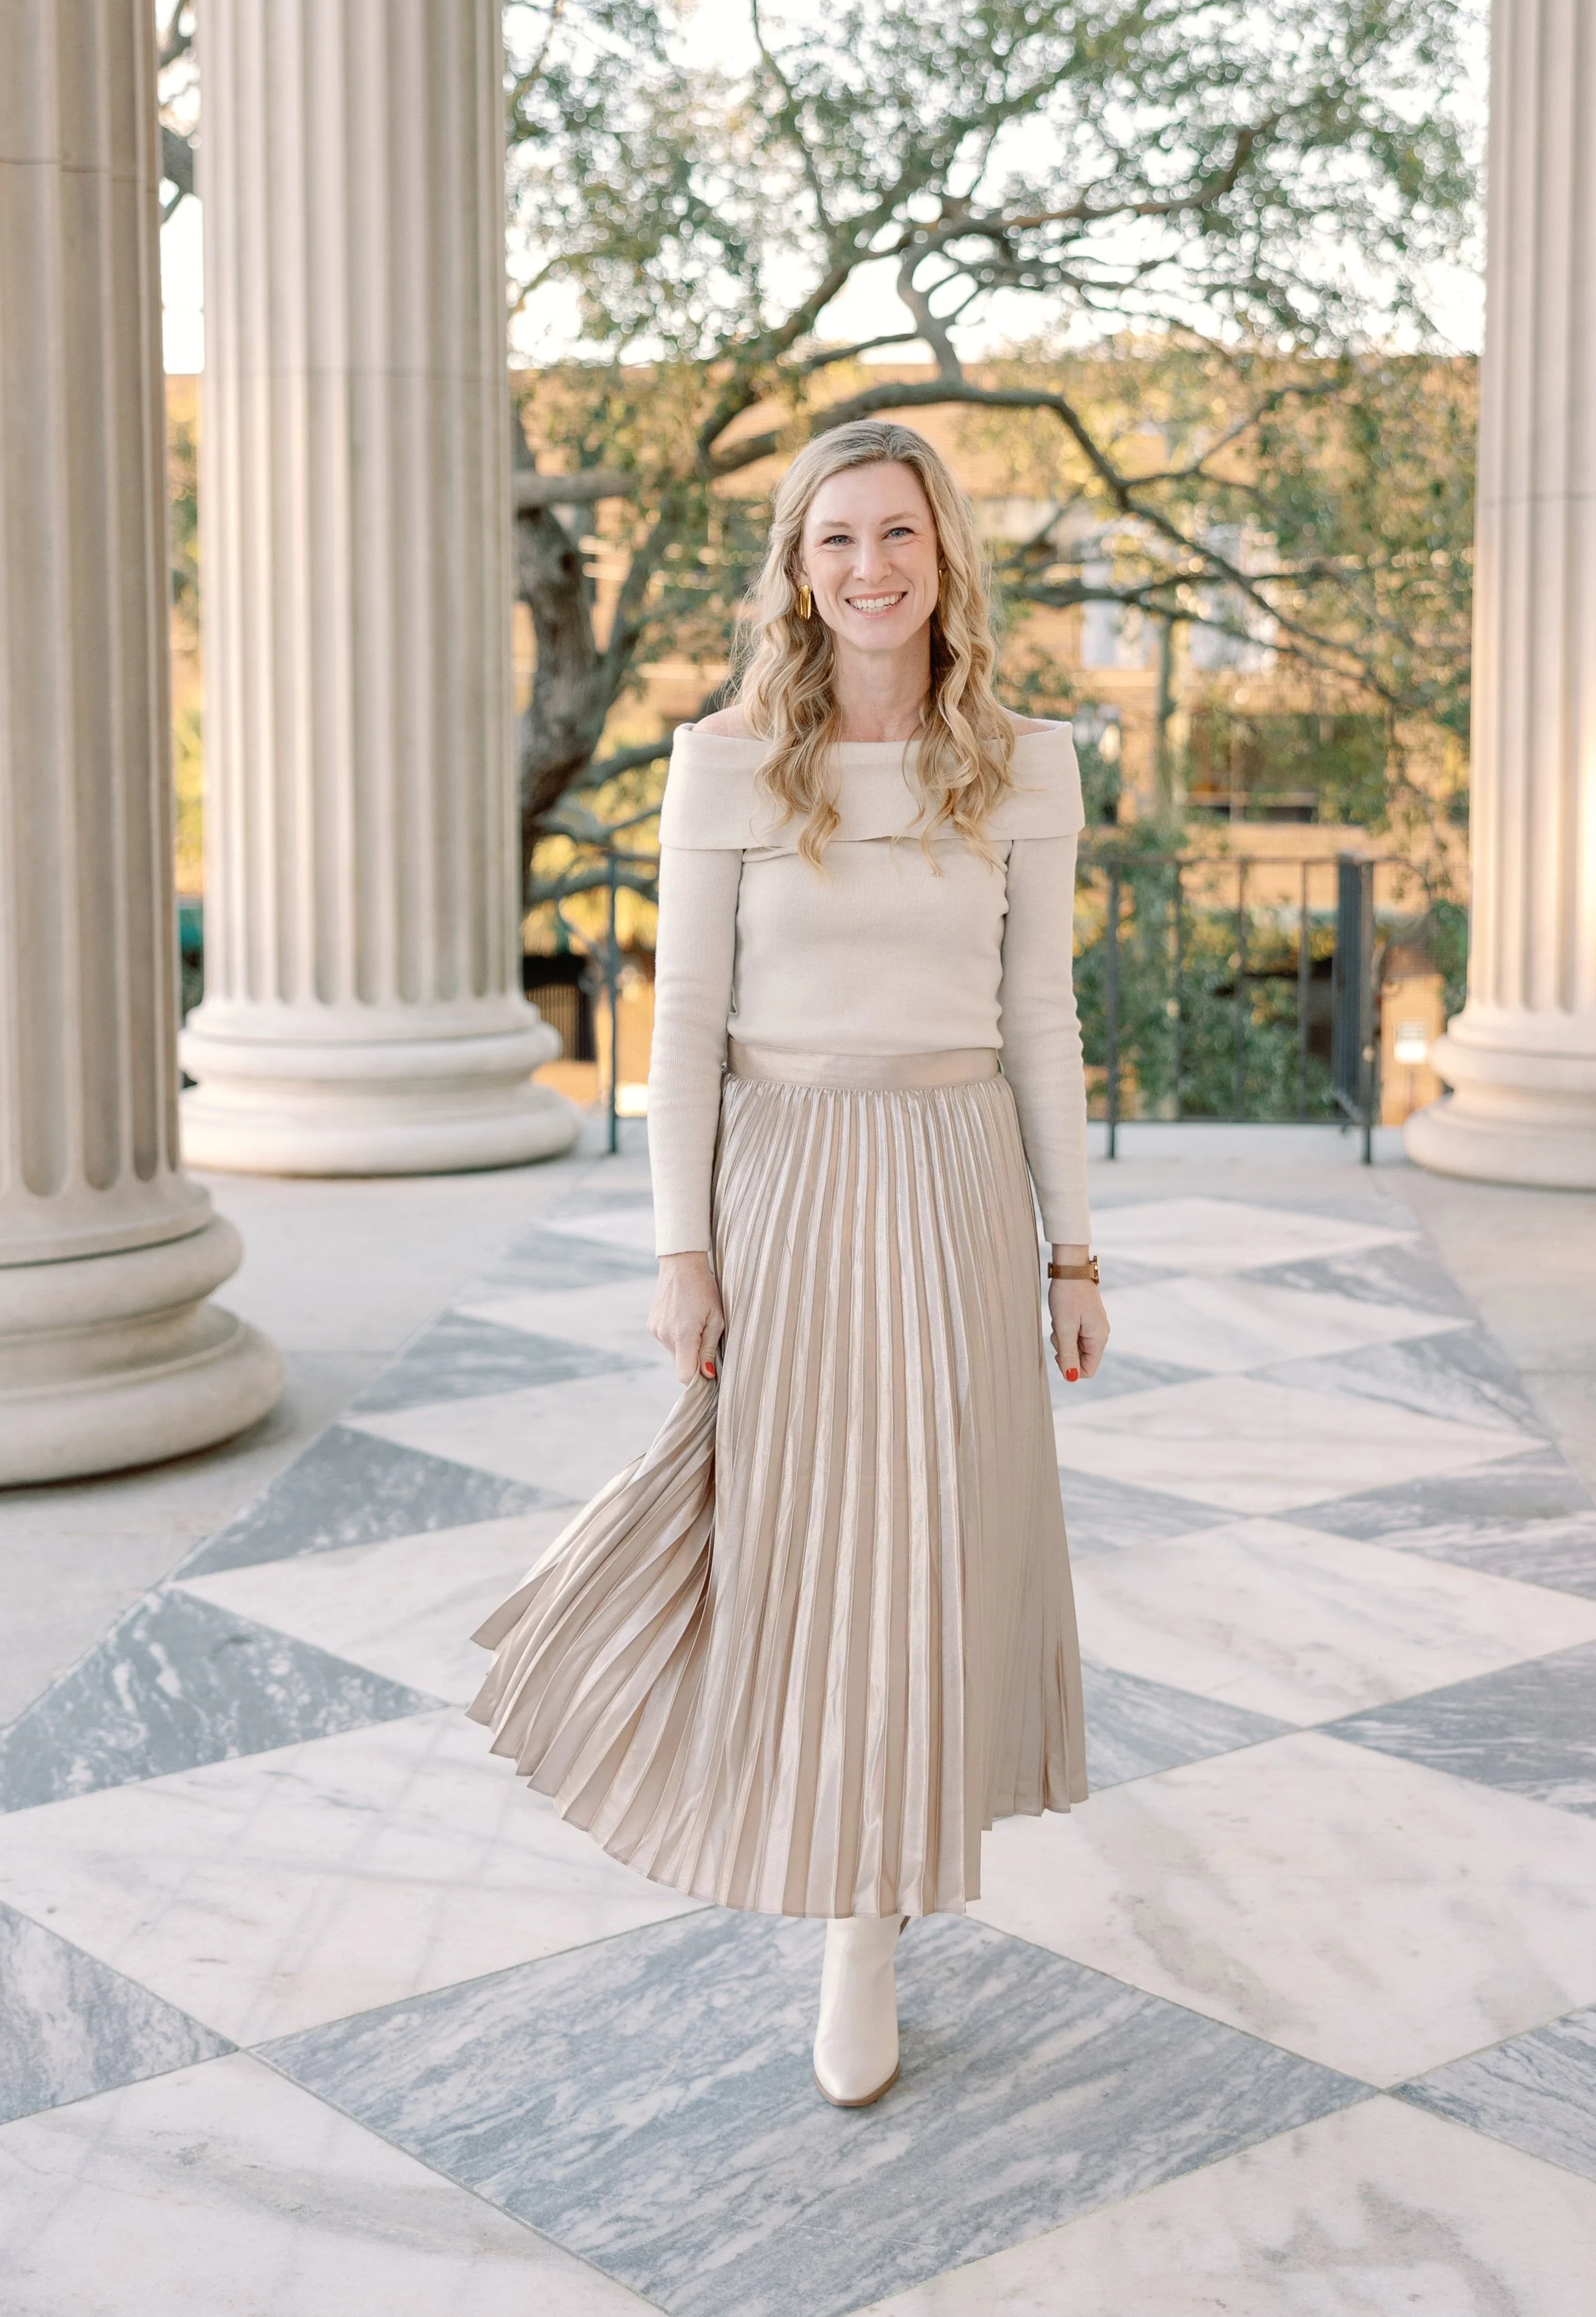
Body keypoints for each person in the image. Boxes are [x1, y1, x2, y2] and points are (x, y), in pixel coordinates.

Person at [468, 419, 1110, 2109]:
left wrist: (1070, 1251)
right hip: (783, 1180)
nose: (868, 567)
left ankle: (865, 1920)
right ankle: (810, 1859)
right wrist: (679, 1248)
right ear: (796, 569)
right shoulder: (727, 761)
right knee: (792, 1542)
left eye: (896, 533)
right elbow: (681, 1023)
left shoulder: (1026, 764)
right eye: (836, 539)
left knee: (925, 1553)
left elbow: (1039, 1020)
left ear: (941, 552)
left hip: (954, 1179)